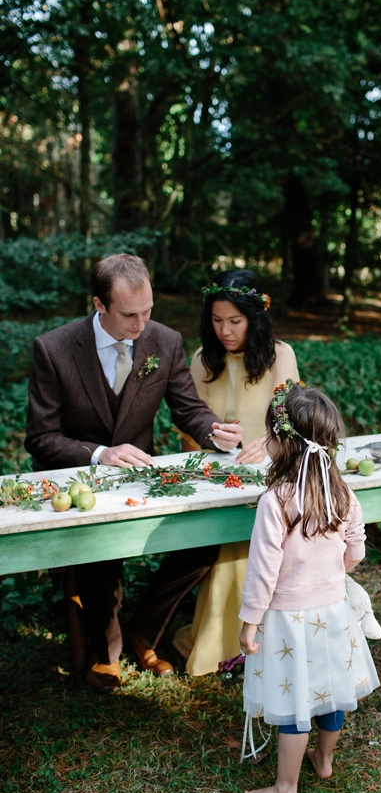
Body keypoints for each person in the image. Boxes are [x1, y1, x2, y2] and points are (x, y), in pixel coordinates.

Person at [25, 254, 243, 693]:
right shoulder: (55, 349)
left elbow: (188, 408)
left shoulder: (164, 341)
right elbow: (40, 437)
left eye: (148, 311)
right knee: (101, 557)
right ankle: (107, 653)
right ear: (99, 305)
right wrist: (99, 453)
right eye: (130, 314)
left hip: (142, 478)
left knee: (203, 541)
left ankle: (145, 630)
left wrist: (214, 432)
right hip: (79, 478)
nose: (141, 324)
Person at [239, 381, 379, 793]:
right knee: (331, 691)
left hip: (287, 620)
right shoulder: (343, 493)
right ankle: (324, 760)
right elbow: (356, 550)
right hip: (333, 612)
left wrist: (249, 620)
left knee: (296, 702)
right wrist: (332, 575)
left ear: (281, 442)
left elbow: (264, 569)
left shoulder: (276, 500)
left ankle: (284, 791)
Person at [171, 269, 300, 675]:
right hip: (217, 474)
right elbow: (188, 430)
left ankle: (256, 641)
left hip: (272, 472)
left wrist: (270, 442)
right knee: (226, 535)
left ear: (255, 317)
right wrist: (207, 457)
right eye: (216, 320)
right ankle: (221, 643)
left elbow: (291, 420)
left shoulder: (281, 355)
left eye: (235, 321)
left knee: (258, 531)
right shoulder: (201, 359)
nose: (224, 331)